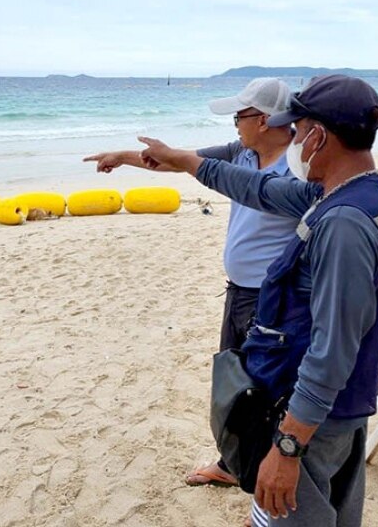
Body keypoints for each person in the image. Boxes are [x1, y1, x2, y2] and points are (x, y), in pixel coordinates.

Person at [138, 74, 378, 527]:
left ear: (317, 135)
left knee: (292, 513)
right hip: (341, 405)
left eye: (298, 130)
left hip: (317, 417)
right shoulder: (357, 192)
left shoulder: (344, 222)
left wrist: (288, 447)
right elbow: (258, 189)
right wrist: (182, 160)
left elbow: (333, 346)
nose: (293, 140)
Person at [84, 77, 298, 487]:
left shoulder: (299, 163)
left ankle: (263, 470)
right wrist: (122, 156)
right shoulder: (241, 153)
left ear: (266, 119)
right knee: (233, 381)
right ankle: (233, 462)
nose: (235, 123)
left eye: (240, 115)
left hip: (274, 297)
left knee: (266, 387)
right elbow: (175, 160)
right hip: (238, 291)